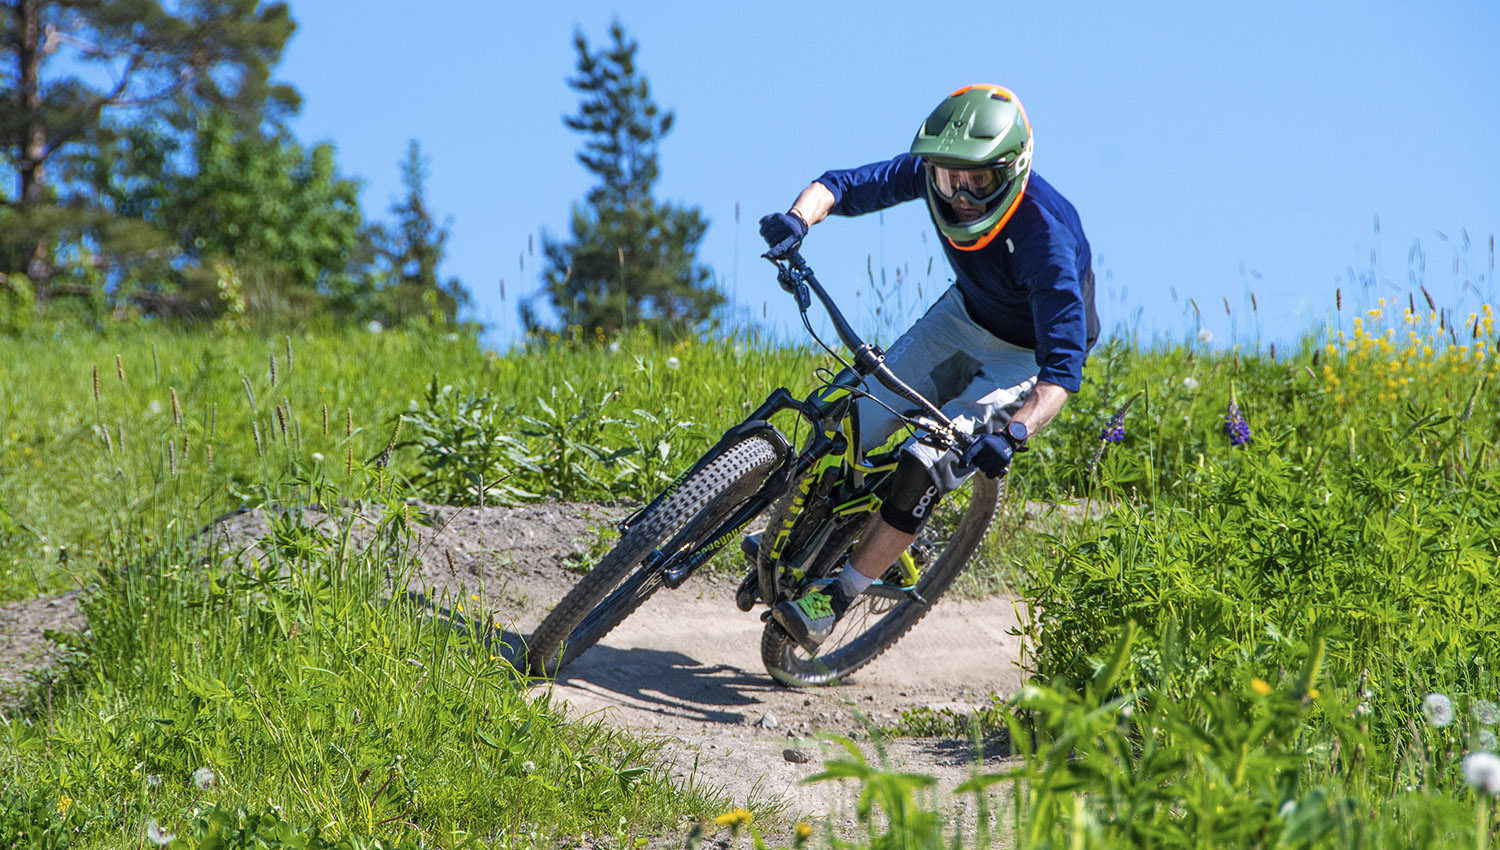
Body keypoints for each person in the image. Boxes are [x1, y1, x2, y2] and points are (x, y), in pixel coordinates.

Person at [756, 84, 1098, 652]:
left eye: (977, 180)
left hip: (1026, 354)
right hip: (964, 315)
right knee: (858, 417)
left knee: (925, 458)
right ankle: (812, 529)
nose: (960, 193)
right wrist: (799, 220)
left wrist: (1014, 432)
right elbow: (841, 186)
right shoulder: (937, 173)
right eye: (947, 177)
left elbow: (1062, 373)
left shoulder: (1046, 238)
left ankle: (838, 595)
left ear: (1011, 169)